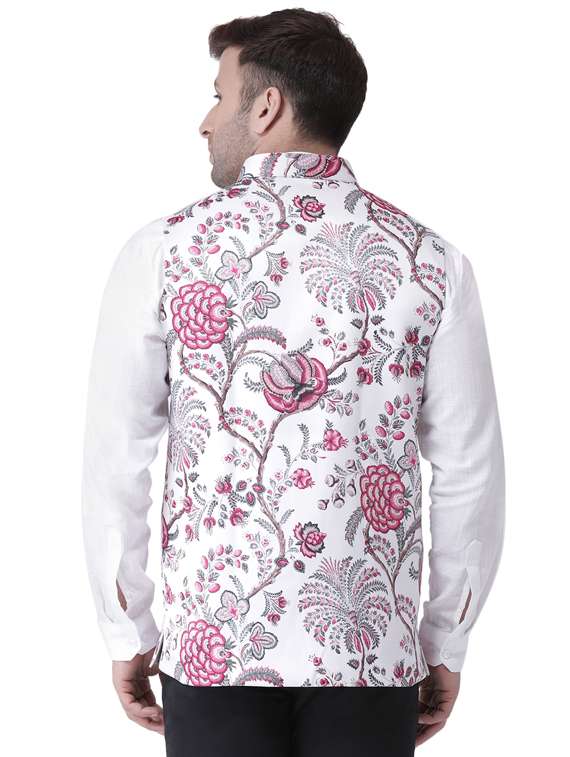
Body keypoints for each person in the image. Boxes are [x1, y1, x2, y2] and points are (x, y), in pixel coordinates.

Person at [81, 8, 505, 756]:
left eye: (219, 95)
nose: (206, 121)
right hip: (370, 654)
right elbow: (469, 471)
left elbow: (116, 459)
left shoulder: (164, 252)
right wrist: (446, 638)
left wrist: (128, 629)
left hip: (215, 648)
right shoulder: (432, 263)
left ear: (266, 107)